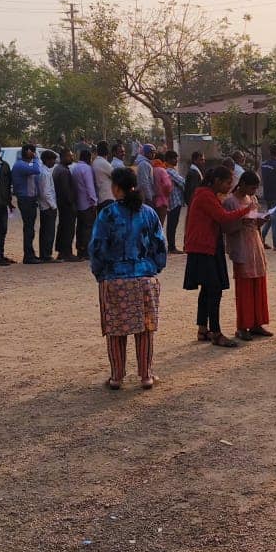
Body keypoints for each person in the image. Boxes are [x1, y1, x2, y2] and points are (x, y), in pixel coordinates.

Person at [89, 167, 168, 390]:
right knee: (145, 329)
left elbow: (97, 247)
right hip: (144, 277)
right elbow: (160, 245)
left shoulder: (108, 214)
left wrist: (99, 272)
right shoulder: (149, 213)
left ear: (116, 187)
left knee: (116, 329)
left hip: (115, 278)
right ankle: (146, 375)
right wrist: (154, 267)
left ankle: (117, 377)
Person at [183, 166, 252, 348]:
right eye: (227, 182)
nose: (230, 186)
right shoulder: (205, 195)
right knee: (214, 289)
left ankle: (203, 328)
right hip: (204, 246)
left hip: (205, 245)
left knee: (207, 289)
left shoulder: (205, 193)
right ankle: (216, 332)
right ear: (216, 181)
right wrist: (247, 210)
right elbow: (222, 217)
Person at [223, 171, 274, 341]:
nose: (253, 191)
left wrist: (260, 221)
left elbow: (255, 223)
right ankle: (242, 325)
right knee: (244, 287)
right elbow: (227, 227)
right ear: (242, 184)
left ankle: (256, 323)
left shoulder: (252, 200)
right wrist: (241, 221)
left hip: (254, 241)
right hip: (241, 244)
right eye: (252, 187)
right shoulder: (230, 202)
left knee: (258, 282)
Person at [11, 143, 44, 264]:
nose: (35, 154)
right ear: (29, 152)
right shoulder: (20, 165)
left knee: (30, 228)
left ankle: (30, 253)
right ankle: (28, 256)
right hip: (25, 199)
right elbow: (37, 170)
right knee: (29, 228)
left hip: (30, 199)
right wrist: (36, 157)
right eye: (33, 152)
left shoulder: (25, 165)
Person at [53, 149, 80, 262]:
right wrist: (72, 203)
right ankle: (67, 253)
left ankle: (62, 252)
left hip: (61, 204)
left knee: (63, 227)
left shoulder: (58, 169)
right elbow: (66, 190)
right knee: (68, 229)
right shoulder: (63, 171)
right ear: (64, 157)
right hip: (67, 205)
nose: (72, 158)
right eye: (70, 156)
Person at [74, 148, 100, 256]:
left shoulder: (75, 168)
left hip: (78, 203)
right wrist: (94, 202)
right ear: (88, 158)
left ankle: (80, 249)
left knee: (80, 228)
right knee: (88, 228)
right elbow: (90, 187)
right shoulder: (87, 169)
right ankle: (87, 252)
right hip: (87, 203)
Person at [37, 149, 60, 262]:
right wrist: (53, 206)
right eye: (52, 160)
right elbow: (46, 192)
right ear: (46, 160)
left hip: (44, 206)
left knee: (45, 231)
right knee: (49, 232)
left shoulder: (43, 171)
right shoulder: (45, 173)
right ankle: (47, 255)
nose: (54, 163)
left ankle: (44, 254)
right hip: (48, 207)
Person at [164, 150, 187, 253]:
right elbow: (182, 182)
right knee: (172, 224)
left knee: (172, 224)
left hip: (173, 200)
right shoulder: (170, 171)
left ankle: (171, 246)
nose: (176, 160)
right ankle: (171, 247)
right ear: (168, 159)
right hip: (174, 200)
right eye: (174, 158)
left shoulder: (170, 170)